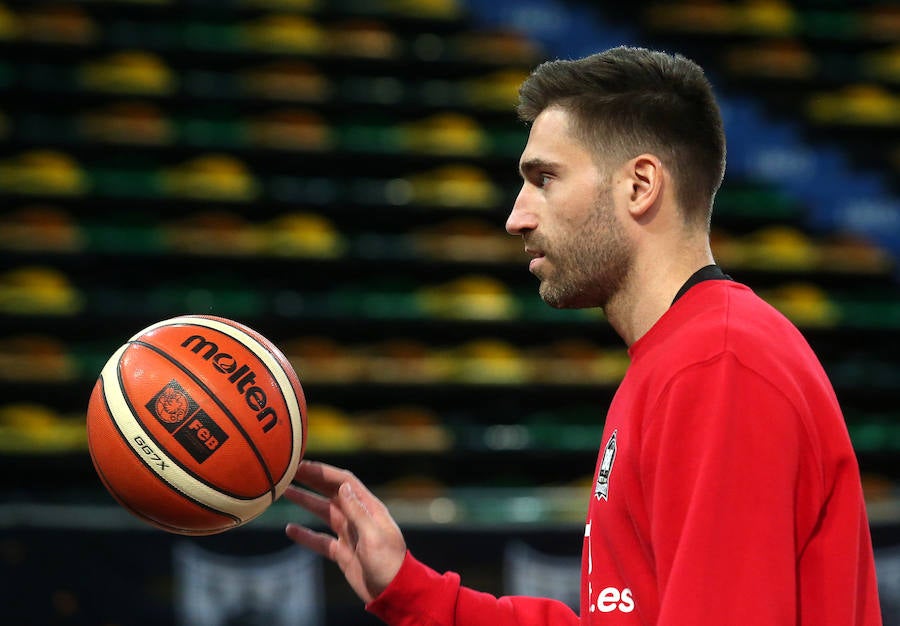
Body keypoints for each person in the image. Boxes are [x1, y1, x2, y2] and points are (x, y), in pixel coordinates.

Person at [283, 46, 883, 625]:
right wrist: (413, 592)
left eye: (544, 179)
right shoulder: (684, 356)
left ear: (640, 186)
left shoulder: (717, 365)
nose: (517, 216)